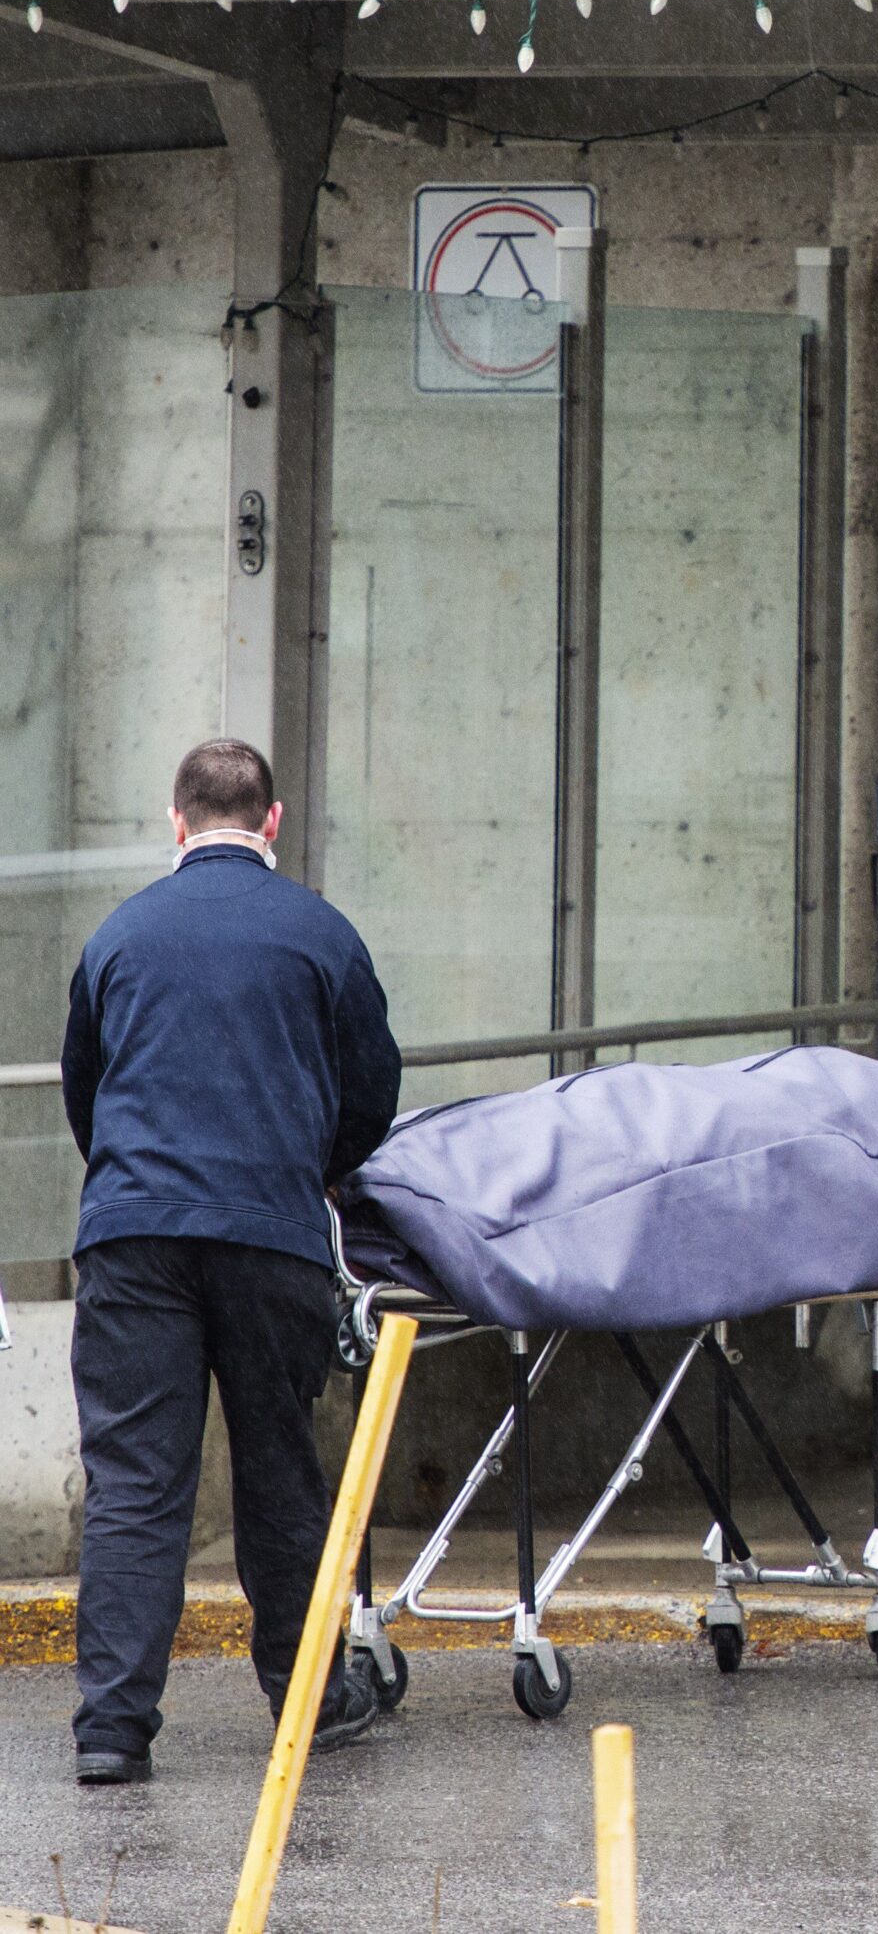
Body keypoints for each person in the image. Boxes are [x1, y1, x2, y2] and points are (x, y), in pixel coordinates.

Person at [58, 739, 402, 1786]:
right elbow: (371, 1088)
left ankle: (112, 1727)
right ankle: (311, 1699)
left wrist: (137, 1189)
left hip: (132, 1236)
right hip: (269, 1234)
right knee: (278, 1471)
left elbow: (88, 1087)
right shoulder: (320, 933)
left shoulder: (119, 935)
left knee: (135, 1483)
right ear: (273, 820)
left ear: (176, 821)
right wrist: (314, 1167)